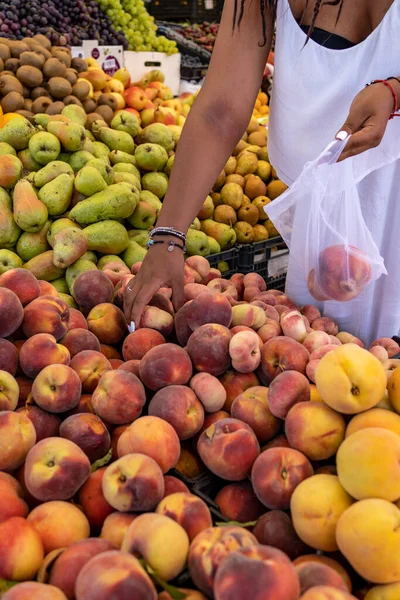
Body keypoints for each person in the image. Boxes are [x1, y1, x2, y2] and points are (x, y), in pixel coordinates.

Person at [124, 0, 400, 345]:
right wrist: (168, 236)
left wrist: (395, 91)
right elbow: (219, 110)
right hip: (322, 231)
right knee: (327, 368)